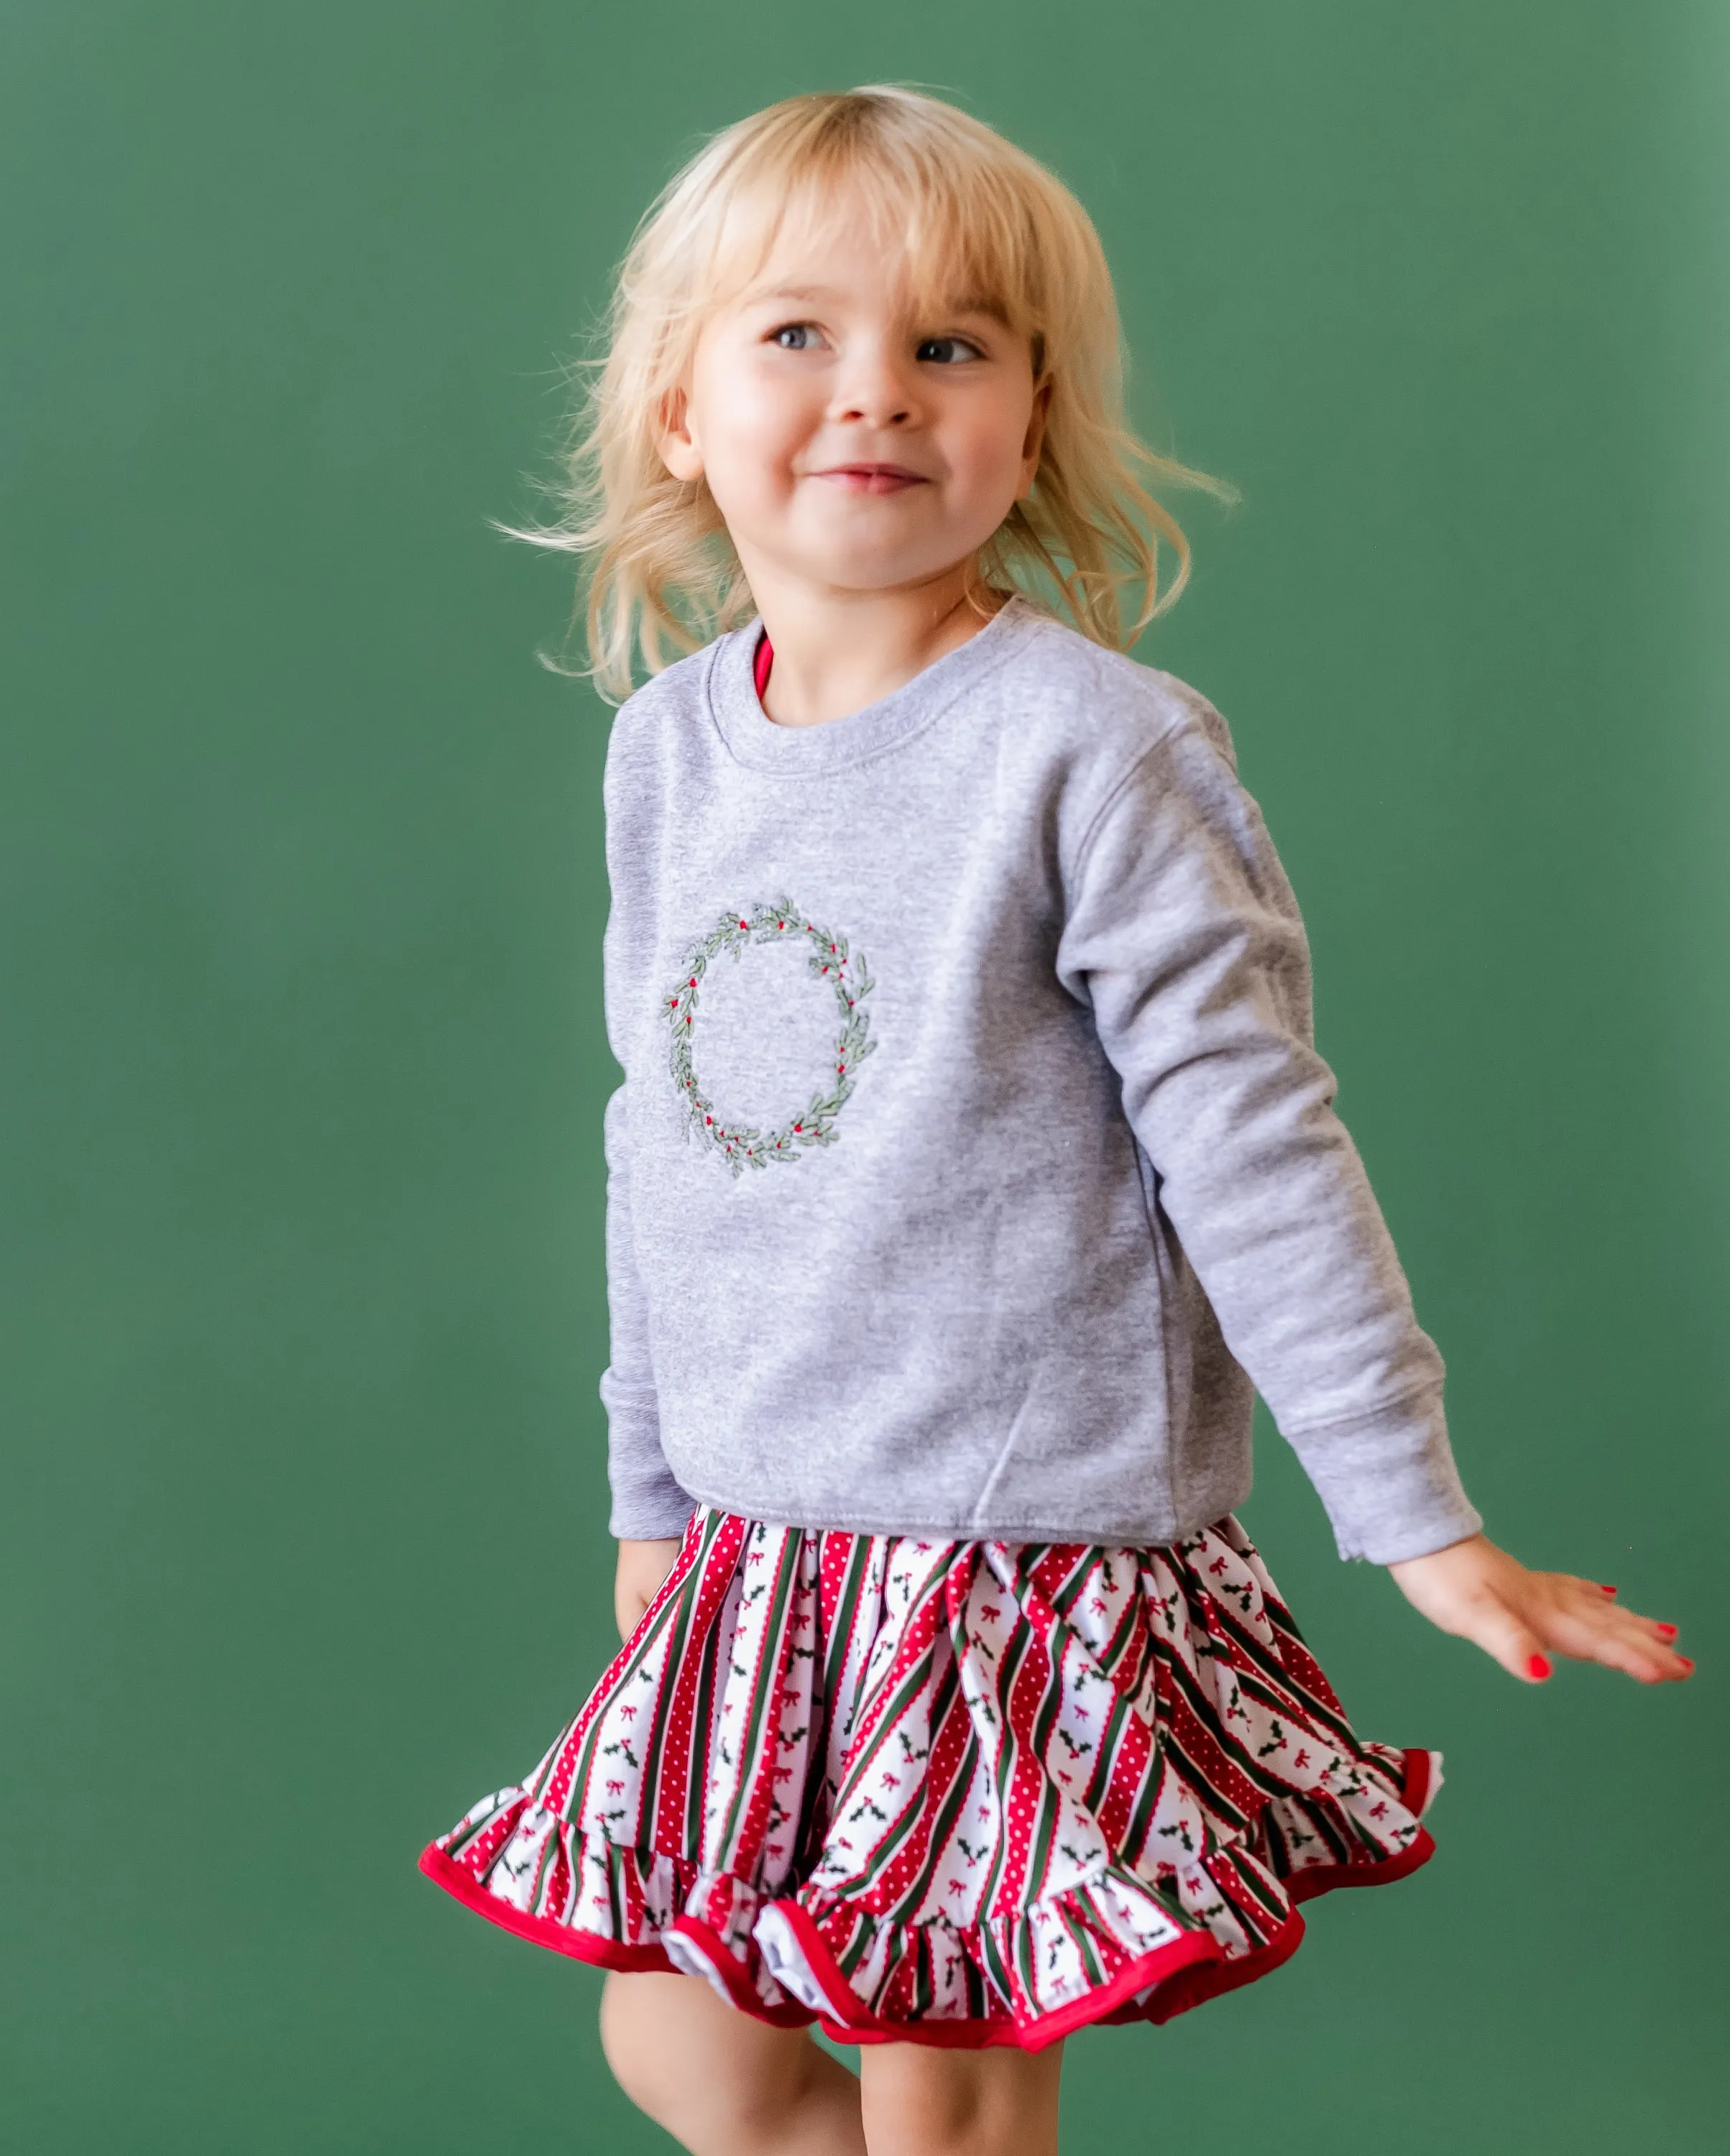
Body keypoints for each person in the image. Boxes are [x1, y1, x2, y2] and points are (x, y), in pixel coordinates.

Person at [418, 86, 1691, 2156]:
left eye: (952, 346)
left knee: (948, 2090)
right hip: (773, 1544)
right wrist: (650, 1484)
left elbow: (1255, 1140)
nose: (876, 395)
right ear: (677, 414)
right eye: (798, 336)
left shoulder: (1093, 748)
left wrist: (1415, 1515)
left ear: (1028, 423)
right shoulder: (669, 751)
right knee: (687, 2048)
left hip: (1015, 1551)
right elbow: (657, 1137)